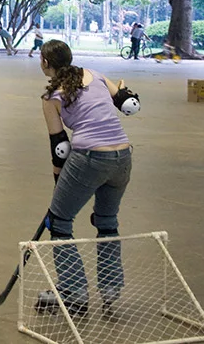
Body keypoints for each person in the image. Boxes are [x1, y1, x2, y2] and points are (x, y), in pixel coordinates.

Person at [35, 39, 133, 316]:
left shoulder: (50, 97)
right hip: (123, 156)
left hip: (90, 157)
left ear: (45, 62)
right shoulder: (97, 75)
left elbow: (59, 148)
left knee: (61, 222)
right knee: (106, 221)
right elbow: (124, 100)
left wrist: (59, 184)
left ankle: (73, 293)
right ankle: (111, 291)